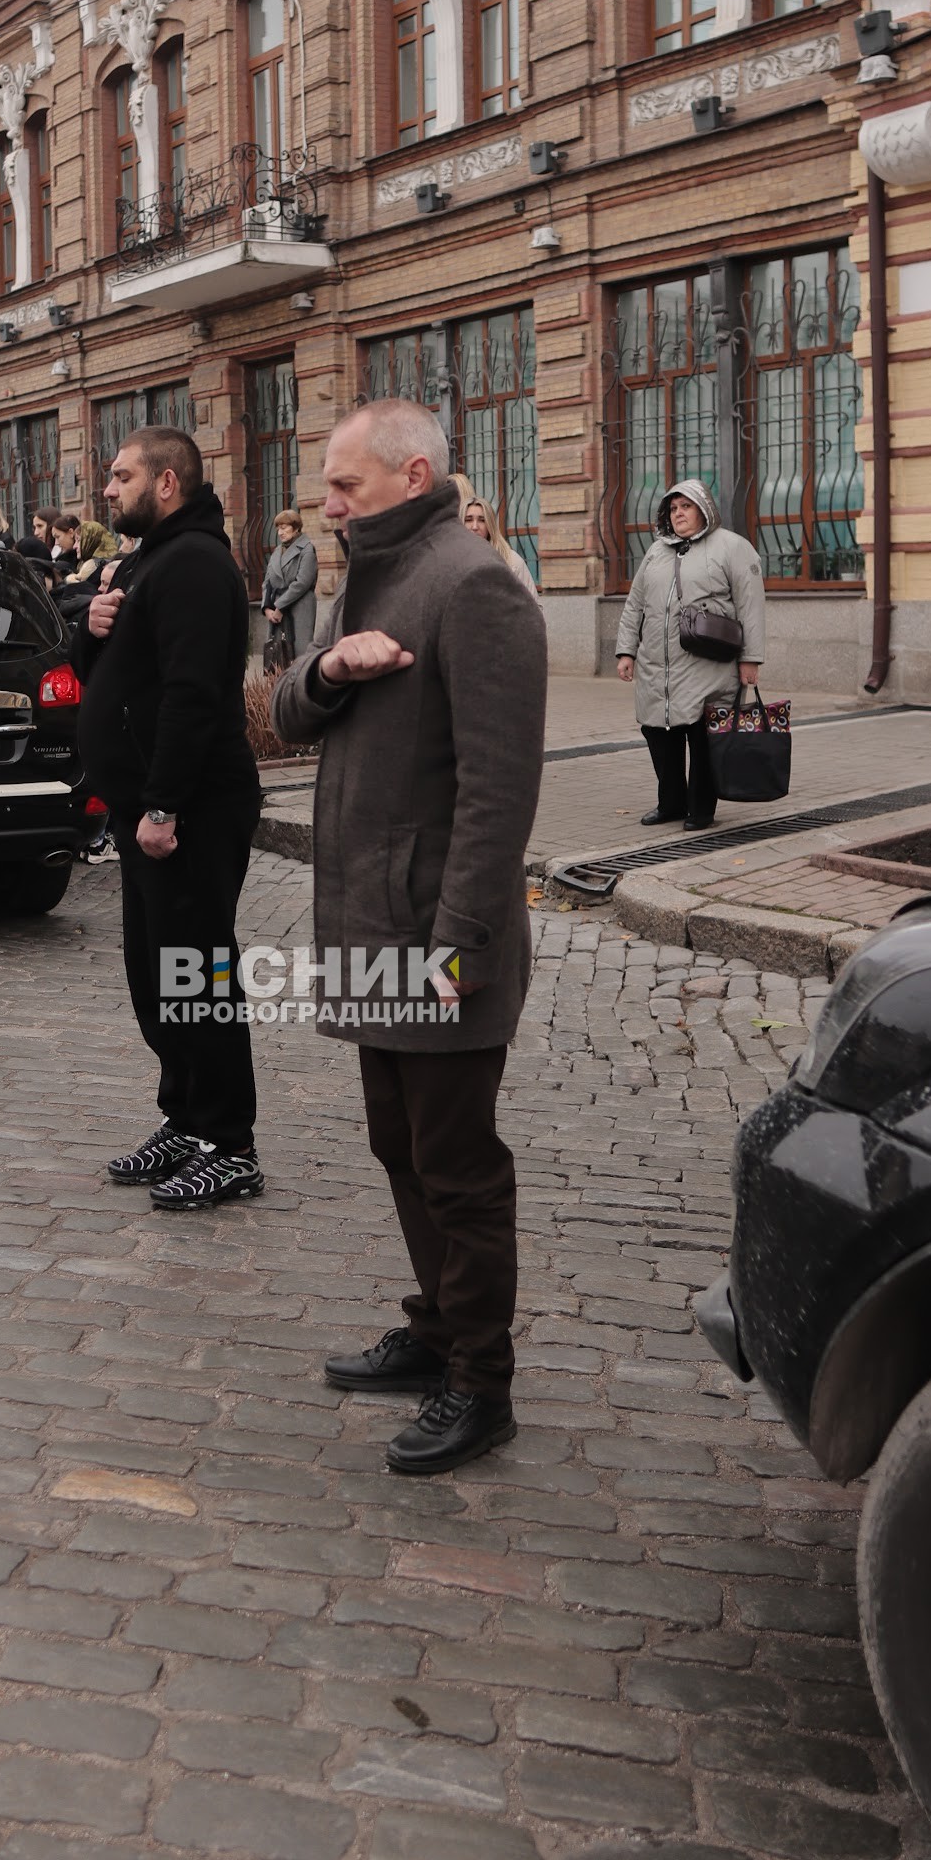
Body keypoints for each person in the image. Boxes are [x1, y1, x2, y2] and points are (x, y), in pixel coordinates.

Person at [272, 399, 547, 1475]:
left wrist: (461, 945)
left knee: (458, 1162)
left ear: (412, 472)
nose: (328, 503)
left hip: (435, 938)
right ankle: (436, 1326)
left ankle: (480, 1380)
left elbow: (497, 792)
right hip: (366, 919)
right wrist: (328, 670)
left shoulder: (471, 584)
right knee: (401, 1144)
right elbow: (290, 717)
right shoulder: (369, 574)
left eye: (345, 485)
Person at [72, 426, 264, 1210]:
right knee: (157, 976)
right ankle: (186, 1120)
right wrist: (92, 627)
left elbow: (191, 697)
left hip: (191, 810)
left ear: (166, 484)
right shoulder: (153, 558)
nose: (108, 490)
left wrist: (162, 804)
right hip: (146, 809)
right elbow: (120, 674)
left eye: (121, 477)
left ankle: (232, 1144)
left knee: (197, 975)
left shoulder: (191, 563)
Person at [615, 476, 765, 832]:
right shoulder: (656, 551)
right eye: (673, 508)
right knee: (658, 733)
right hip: (657, 665)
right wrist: (626, 651)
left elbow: (751, 606)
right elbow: (635, 604)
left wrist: (750, 659)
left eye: (686, 507)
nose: (678, 514)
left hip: (708, 664)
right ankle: (670, 803)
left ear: (704, 510)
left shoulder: (732, 547)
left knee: (702, 738)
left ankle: (700, 809)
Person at [259, 508, 319, 662]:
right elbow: (267, 582)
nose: (280, 532)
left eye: (284, 527)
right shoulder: (277, 551)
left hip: (300, 607)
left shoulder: (307, 549)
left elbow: (302, 583)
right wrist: (266, 608)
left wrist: (280, 607)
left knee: (301, 655)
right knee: (278, 657)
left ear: (296, 527)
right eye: (278, 528)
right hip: (276, 611)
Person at [460, 485, 536, 593]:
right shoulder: (452, 562)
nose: (475, 526)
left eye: (482, 520)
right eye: (468, 520)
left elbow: (535, 607)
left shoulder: (511, 562)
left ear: (490, 525)